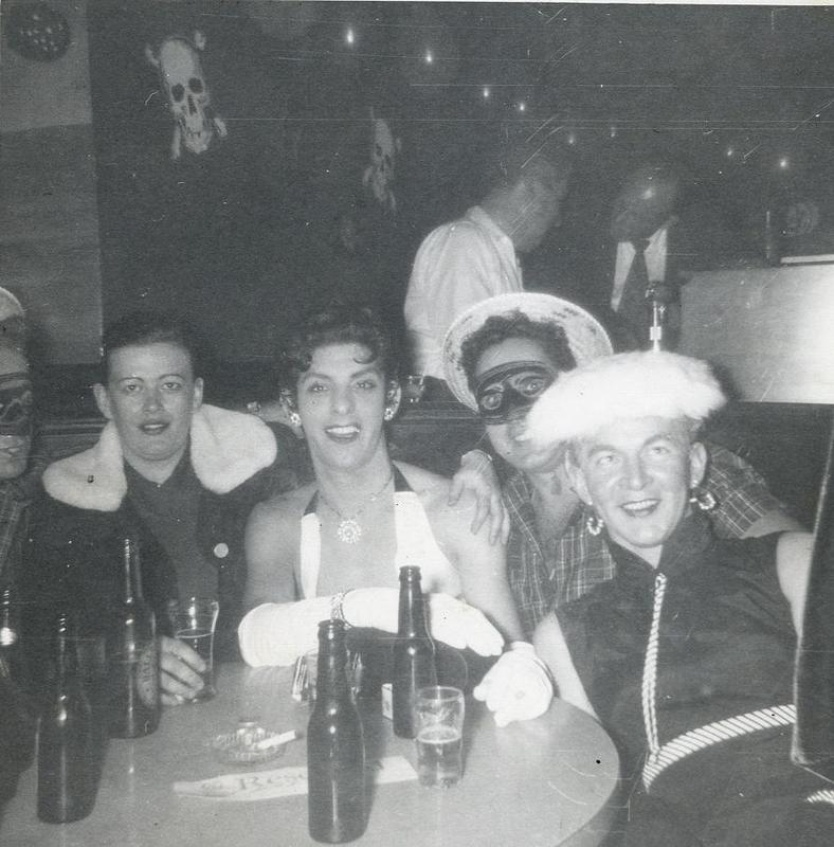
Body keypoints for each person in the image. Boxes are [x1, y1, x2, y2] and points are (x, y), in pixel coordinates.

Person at [529, 351, 832, 846]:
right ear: (581, 482)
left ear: (694, 464)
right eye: (608, 458)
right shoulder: (564, 635)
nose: (635, 480)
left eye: (657, 451)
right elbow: (583, 803)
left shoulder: (790, 563)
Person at [237, 306, 552, 727]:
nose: (342, 407)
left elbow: (510, 655)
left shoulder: (453, 511)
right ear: (292, 407)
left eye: (363, 385)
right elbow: (255, 639)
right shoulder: (276, 522)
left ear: (391, 398)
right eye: (318, 389)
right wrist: (376, 607)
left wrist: (524, 671)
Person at [442, 292, 804, 639]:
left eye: (531, 384)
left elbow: (811, 576)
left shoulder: (671, 472)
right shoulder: (492, 511)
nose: (515, 416)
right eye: (491, 397)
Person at [23, 311, 299, 705]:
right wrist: (126, 657)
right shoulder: (65, 499)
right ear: (104, 400)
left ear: (197, 393)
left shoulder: (261, 472)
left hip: (262, 697)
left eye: (170, 385)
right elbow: (38, 638)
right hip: (139, 714)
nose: (153, 406)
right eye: (132, 388)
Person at [403, 139, 573, 391]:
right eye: (555, 202)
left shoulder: (492, 250)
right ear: (529, 189)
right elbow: (473, 357)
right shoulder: (464, 242)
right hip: (448, 413)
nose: (556, 220)